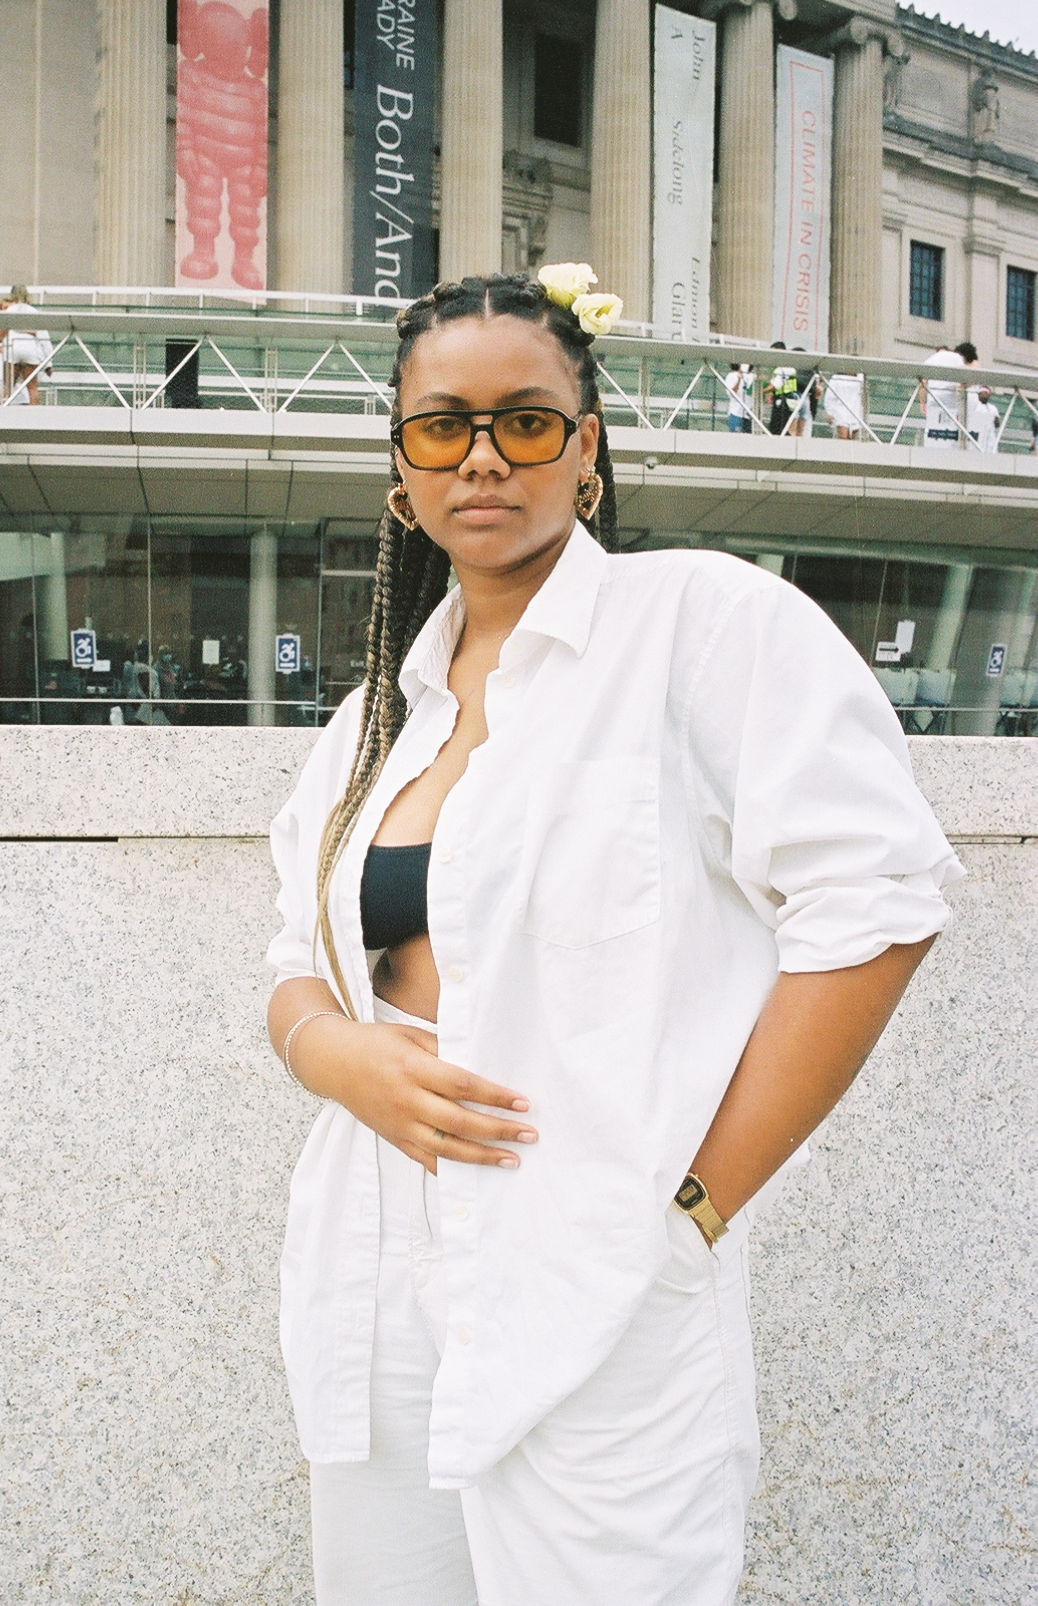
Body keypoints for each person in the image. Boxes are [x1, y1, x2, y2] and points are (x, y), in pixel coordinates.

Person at [265, 267, 963, 1606]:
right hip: (372, 1273)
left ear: (585, 449)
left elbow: (876, 903)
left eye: (525, 421)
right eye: (440, 426)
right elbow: (291, 952)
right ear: (400, 468)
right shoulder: (380, 714)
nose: (482, 455)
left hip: (595, 1268)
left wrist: (690, 1208)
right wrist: (331, 1052)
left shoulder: (703, 627)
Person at [2, 284, 53, 405]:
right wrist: (48, 363)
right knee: (32, 386)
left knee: (8, 386)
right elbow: (43, 337)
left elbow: (2, 332)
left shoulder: (9, 311)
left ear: (12, 295)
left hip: (13, 347)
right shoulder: (34, 311)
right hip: (30, 347)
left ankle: (2, 413)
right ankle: (34, 417)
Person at [920, 341, 976, 449]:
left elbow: (922, 383)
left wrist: (922, 403)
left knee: (932, 430)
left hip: (933, 399)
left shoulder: (930, 359)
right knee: (951, 431)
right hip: (951, 400)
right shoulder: (956, 357)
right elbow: (965, 379)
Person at [822, 371, 866, 440]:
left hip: (855, 410)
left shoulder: (860, 377)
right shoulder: (836, 378)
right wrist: (829, 412)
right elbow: (829, 396)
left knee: (851, 439)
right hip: (840, 410)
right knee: (843, 437)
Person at [765, 341, 797, 435]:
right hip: (787, 400)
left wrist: (762, 391)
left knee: (779, 427)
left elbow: (776, 385)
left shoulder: (782, 369)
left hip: (783, 402)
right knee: (782, 427)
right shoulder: (787, 367)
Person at [965, 383, 1000, 453]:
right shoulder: (975, 406)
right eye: (982, 394)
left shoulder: (993, 408)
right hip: (977, 433)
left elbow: (997, 424)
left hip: (989, 434)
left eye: (986, 394)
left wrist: (995, 421)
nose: (984, 396)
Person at [723, 361, 754, 433]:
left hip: (749, 413)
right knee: (735, 435)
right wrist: (739, 380)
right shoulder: (731, 376)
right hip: (736, 412)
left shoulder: (751, 376)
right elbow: (732, 392)